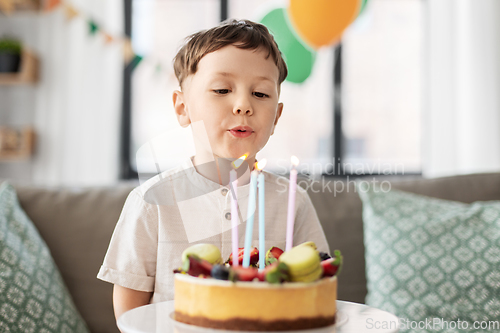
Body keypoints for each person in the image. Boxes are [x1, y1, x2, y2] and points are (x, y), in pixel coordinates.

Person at [97, 19, 330, 321]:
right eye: (221, 89)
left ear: (276, 117)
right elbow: (129, 303)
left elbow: (317, 287)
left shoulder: (291, 202)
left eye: (260, 94)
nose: (243, 105)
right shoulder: (151, 201)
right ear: (182, 108)